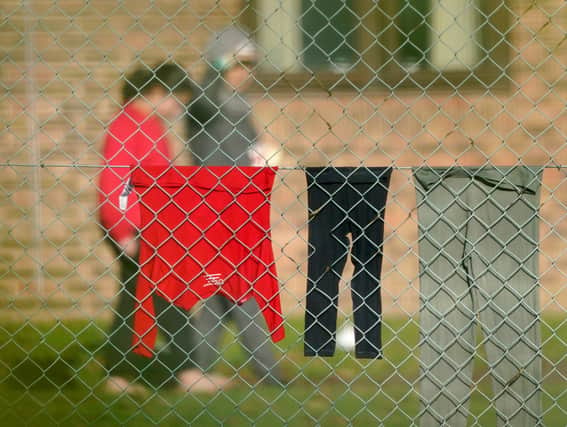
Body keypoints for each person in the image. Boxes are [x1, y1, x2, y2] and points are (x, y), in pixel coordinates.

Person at [97, 61, 230, 395]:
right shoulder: (128, 125)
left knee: (137, 296)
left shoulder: (146, 123)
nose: (179, 107)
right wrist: (123, 230)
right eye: (177, 99)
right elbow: (115, 181)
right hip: (134, 227)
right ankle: (183, 371)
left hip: (150, 226)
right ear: (157, 92)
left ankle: (121, 374)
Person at [186, 26, 284, 385]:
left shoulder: (238, 105)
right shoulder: (206, 101)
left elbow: (251, 148)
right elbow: (203, 99)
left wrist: (264, 155)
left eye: (251, 64)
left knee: (216, 296)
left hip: (239, 209)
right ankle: (270, 374)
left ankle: (197, 368)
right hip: (215, 211)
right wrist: (217, 62)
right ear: (220, 63)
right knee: (244, 291)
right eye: (238, 63)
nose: (246, 71)